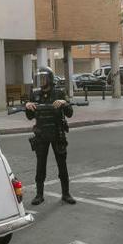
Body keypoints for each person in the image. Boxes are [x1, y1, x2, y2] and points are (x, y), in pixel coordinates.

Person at [25, 66, 75, 206]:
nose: (41, 81)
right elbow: (29, 116)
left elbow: (70, 113)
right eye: (39, 78)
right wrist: (27, 105)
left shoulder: (59, 93)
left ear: (50, 79)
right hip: (41, 135)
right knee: (40, 166)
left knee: (62, 165)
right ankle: (39, 195)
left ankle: (66, 194)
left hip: (57, 133)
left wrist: (64, 103)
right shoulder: (35, 94)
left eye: (43, 78)